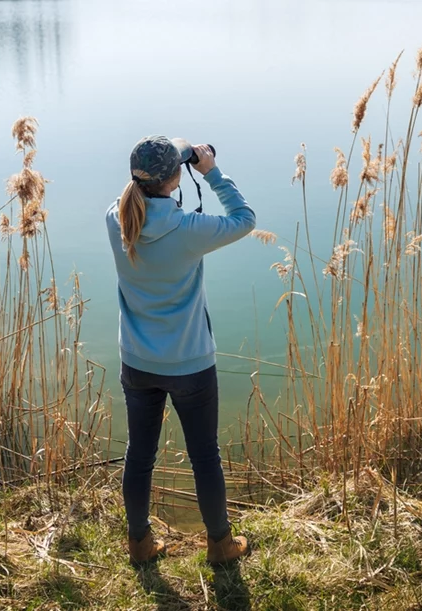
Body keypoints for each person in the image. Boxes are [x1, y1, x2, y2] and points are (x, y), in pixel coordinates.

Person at [105, 135, 256, 564]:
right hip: (189, 366)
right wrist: (210, 171)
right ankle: (222, 545)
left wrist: (166, 159)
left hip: (136, 362)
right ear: (176, 179)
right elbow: (245, 219)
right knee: (205, 457)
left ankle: (139, 543)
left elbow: (136, 192)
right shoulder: (190, 229)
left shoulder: (116, 222)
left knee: (140, 454)